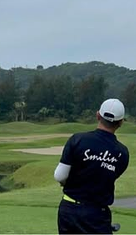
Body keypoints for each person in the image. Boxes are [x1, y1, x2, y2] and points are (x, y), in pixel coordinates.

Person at [54, 98, 129, 234]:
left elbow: (60, 176)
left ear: (98, 115)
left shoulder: (77, 139)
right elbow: (105, 176)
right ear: (121, 122)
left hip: (69, 210)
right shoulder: (122, 153)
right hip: (97, 214)